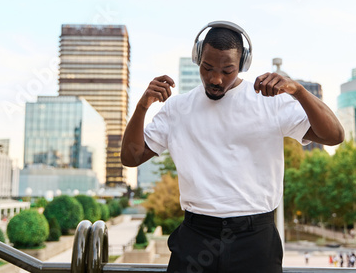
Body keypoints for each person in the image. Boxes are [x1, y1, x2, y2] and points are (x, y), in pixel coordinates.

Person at [121, 21, 344, 273]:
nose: (215, 78)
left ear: (242, 65)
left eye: (227, 70)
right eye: (207, 68)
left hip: (255, 240)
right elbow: (131, 157)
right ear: (198, 58)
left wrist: (299, 91)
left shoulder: (269, 102)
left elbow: (334, 135)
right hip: (195, 237)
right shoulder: (177, 108)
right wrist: (142, 106)